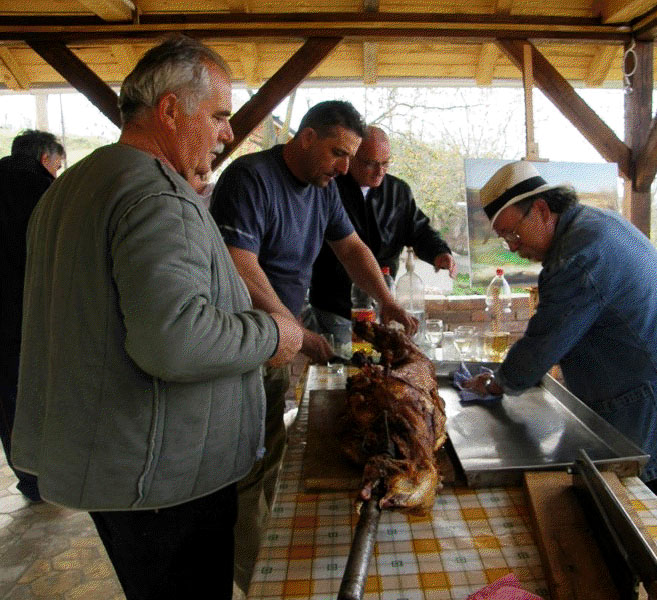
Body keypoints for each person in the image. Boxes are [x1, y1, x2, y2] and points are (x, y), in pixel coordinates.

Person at [11, 36, 303, 599]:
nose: (227, 133)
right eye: (218, 116)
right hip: (165, 479)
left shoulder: (74, 185)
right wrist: (273, 335)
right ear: (170, 110)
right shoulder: (156, 196)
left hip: (113, 466)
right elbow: (175, 340)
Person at [211, 100, 417, 591]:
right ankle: (255, 582)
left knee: (269, 454)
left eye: (350, 157)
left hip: (275, 343)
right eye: (338, 153)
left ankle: (268, 552)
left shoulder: (323, 189)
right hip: (239, 345)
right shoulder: (250, 178)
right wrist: (298, 332)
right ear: (306, 137)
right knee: (243, 466)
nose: (345, 168)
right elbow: (239, 265)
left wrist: (386, 301)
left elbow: (351, 248)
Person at [465, 161, 657, 520]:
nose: (513, 248)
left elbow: (544, 342)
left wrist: (498, 383)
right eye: (505, 240)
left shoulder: (580, 255)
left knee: (651, 524)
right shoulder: (595, 223)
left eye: (512, 234)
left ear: (541, 210)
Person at [306, 125, 456, 346]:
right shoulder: (328, 187)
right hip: (335, 306)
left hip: (384, 302)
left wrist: (439, 252)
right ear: (351, 157)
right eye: (371, 163)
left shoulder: (398, 191)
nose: (380, 171)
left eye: (385, 163)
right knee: (345, 360)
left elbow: (419, 229)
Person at [0, 129, 65, 503]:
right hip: (29, 314)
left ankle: (29, 478)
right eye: (57, 165)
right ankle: (47, 477)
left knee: (8, 399)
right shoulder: (42, 190)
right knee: (40, 392)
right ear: (45, 159)